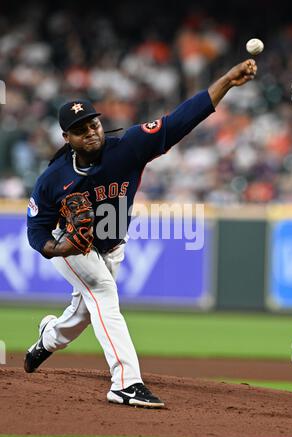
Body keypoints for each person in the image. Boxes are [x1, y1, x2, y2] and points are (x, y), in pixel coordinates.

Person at [24, 59, 257, 408]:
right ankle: (125, 382)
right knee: (103, 294)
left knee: (84, 313)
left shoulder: (129, 147)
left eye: (93, 122)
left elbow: (180, 119)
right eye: (80, 128)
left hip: (113, 245)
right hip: (73, 248)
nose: (90, 131)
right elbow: (35, 229)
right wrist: (59, 248)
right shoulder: (53, 179)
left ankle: (48, 339)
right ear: (67, 138)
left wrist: (225, 81)